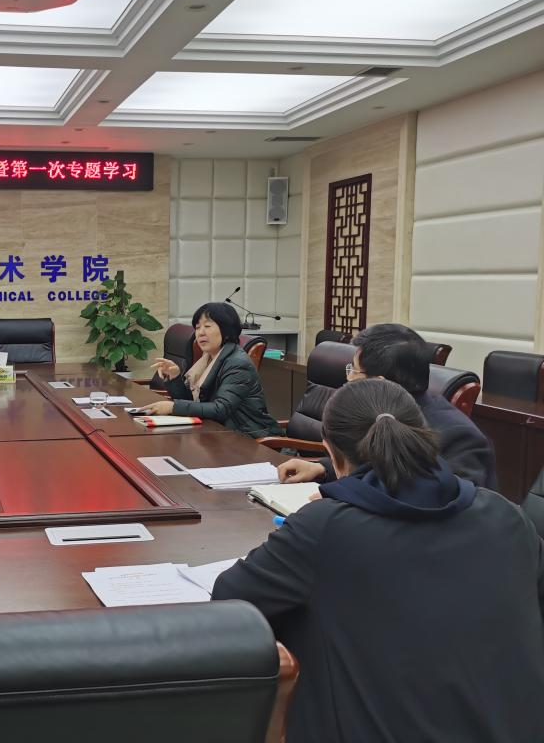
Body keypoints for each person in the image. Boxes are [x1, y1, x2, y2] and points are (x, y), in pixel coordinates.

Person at [212, 379, 544, 742]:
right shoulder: (507, 515)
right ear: (422, 436)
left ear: (331, 453)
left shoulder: (325, 528)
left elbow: (231, 601)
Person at [278, 323, 498, 492]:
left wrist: (347, 498)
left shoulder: (459, 438)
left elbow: (449, 506)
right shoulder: (377, 413)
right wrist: (323, 469)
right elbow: (372, 467)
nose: (348, 379)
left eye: (353, 370)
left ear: (378, 383)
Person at [140, 302, 280, 437]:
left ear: (226, 331)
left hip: (249, 438)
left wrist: (172, 407)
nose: (200, 333)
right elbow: (192, 401)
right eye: (197, 327)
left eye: (207, 326)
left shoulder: (238, 364)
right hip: (217, 433)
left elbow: (221, 409)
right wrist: (175, 377)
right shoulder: (208, 358)